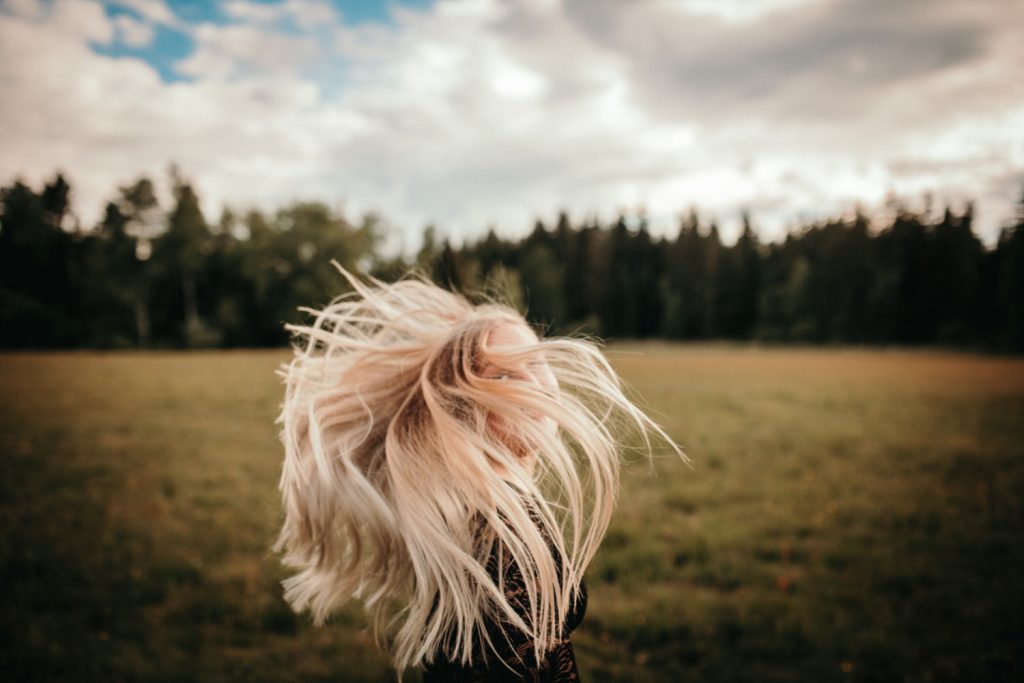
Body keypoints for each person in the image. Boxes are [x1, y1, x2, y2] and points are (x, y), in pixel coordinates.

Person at [272, 263, 687, 680]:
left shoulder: (489, 505)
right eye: (504, 374)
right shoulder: (496, 538)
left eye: (536, 363)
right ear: (461, 405)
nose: (535, 384)